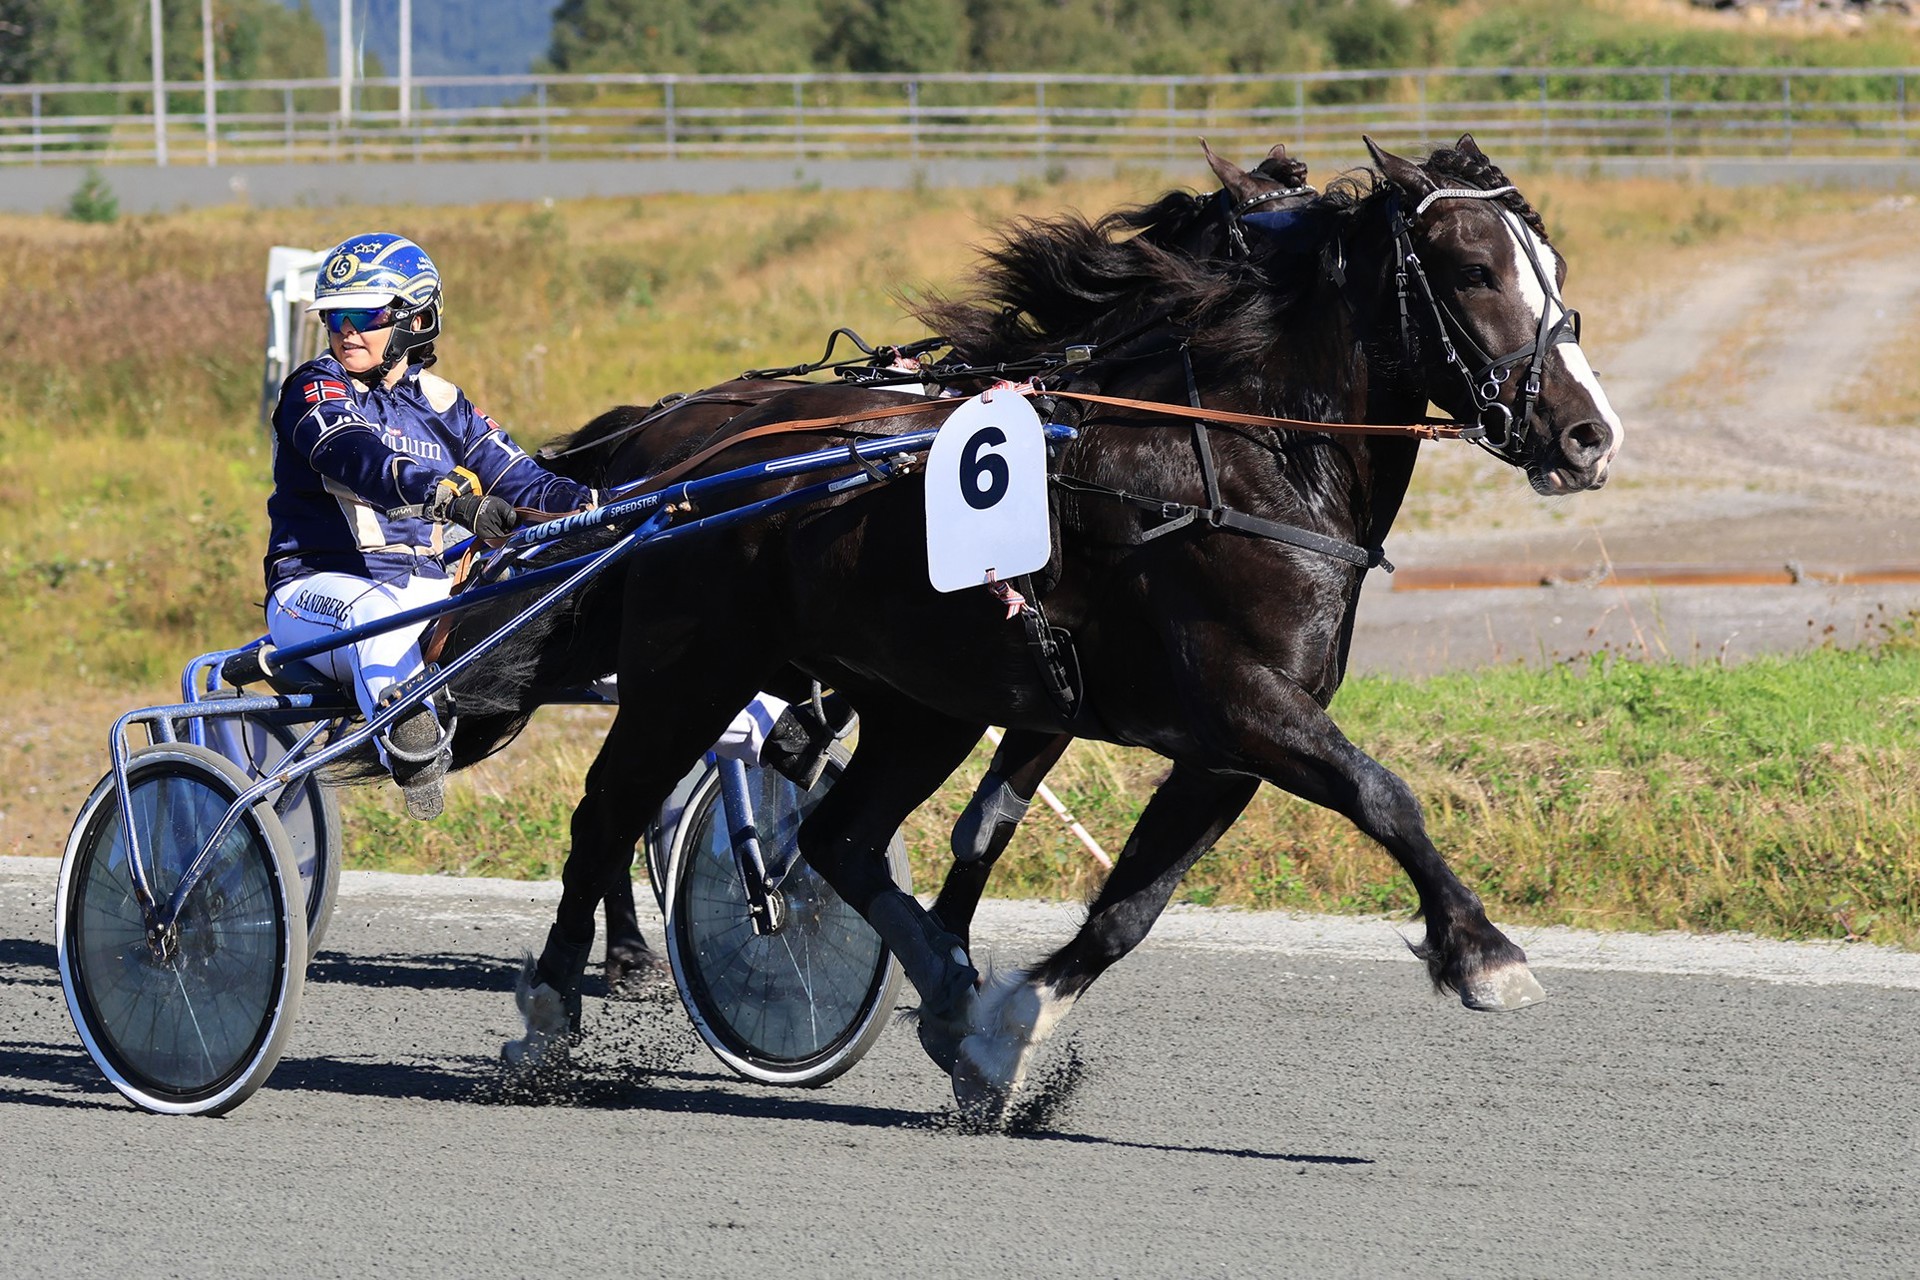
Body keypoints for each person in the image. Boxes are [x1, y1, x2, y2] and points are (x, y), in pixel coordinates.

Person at [263, 232, 597, 820]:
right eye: (335, 315)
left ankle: (759, 729)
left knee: (593, 608)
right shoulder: (314, 387)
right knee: (378, 616)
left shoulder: (445, 404)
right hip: (315, 592)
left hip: (429, 594)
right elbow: (354, 455)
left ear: (416, 319)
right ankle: (415, 761)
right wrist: (445, 497)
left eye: (365, 314)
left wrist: (619, 503)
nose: (345, 329)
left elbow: (528, 484)